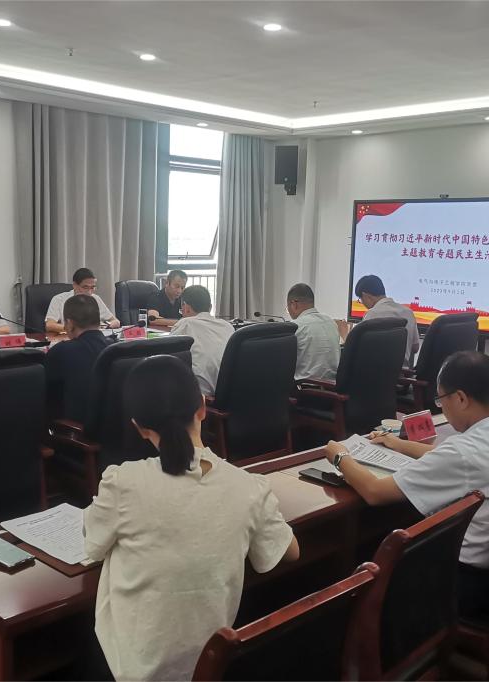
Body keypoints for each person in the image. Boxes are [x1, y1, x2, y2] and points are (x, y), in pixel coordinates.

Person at [84, 356, 299, 681]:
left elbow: (93, 546)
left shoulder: (123, 483)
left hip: (130, 667)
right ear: (202, 406)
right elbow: (290, 552)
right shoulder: (247, 486)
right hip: (211, 664)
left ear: (139, 427)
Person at [323, 350, 489, 620]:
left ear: (461, 398)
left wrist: (339, 455)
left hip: (461, 582)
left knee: (367, 558)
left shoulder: (464, 452)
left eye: (441, 399)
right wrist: (397, 443)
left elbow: (375, 492)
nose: (442, 408)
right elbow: (448, 456)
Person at [44, 294, 112, 423]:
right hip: (114, 427)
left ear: (69, 324)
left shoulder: (61, 352)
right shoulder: (114, 348)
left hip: (77, 429)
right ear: (98, 321)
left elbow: (46, 395)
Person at [167, 285, 234, 395]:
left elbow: (167, 357)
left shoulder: (185, 324)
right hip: (229, 393)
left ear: (186, 307)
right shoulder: (227, 326)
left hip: (200, 396)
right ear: (210, 307)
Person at [351, 274, 419, 364]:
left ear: (366, 296)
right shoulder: (408, 312)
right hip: (402, 371)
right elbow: (415, 347)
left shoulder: (371, 314)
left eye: (361, 299)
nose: (362, 303)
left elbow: (362, 348)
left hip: (373, 370)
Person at [286, 282, 340, 381]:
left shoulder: (295, 326)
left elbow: (285, 363)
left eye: (287, 308)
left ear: (294, 304)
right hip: (333, 386)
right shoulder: (331, 322)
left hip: (305, 387)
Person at [45, 268, 120, 333]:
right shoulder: (59, 299)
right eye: (85, 287)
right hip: (71, 338)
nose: (89, 292)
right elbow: (49, 325)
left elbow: (116, 321)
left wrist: (107, 326)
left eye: (92, 287)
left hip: (94, 337)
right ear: (75, 285)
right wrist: (76, 330)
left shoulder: (96, 298)